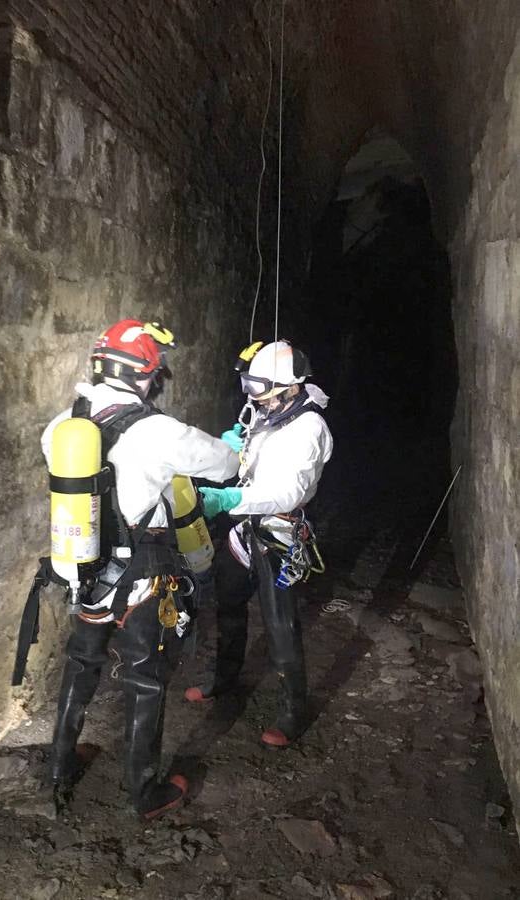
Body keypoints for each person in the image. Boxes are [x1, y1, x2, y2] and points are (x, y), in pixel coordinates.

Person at [41, 319, 239, 819]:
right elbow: (225, 465)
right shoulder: (158, 431)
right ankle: (143, 791)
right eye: (156, 375)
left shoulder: (63, 427)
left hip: (84, 570)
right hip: (141, 576)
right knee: (144, 678)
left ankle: (59, 768)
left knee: (81, 664)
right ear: (145, 375)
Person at [185, 340, 333, 747]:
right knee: (229, 604)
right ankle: (225, 679)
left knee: (280, 623)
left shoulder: (308, 428)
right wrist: (232, 446)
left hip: (279, 537)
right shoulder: (268, 413)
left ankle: (292, 709)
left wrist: (230, 499)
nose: (251, 395)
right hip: (243, 533)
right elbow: (247, 463)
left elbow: (286, 493)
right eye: (247, 384)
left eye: (257, 386)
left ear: (288, 386)